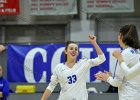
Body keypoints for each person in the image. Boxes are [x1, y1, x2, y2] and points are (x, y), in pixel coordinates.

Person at [41, 35, 106, 100]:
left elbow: (102, 59)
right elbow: (51, 86)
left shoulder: (83, 63)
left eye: (76, 49)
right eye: (71, 48)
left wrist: (94, 43)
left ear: (77, 53)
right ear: (66, 51)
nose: (74, 50)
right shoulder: (59, 68)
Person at [95, 24, 140, 100]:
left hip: (128, 97)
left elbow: (116, 83)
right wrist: (111, 76)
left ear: (121, 36)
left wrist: (107, 78)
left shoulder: (125, 53)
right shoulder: (138, 52)